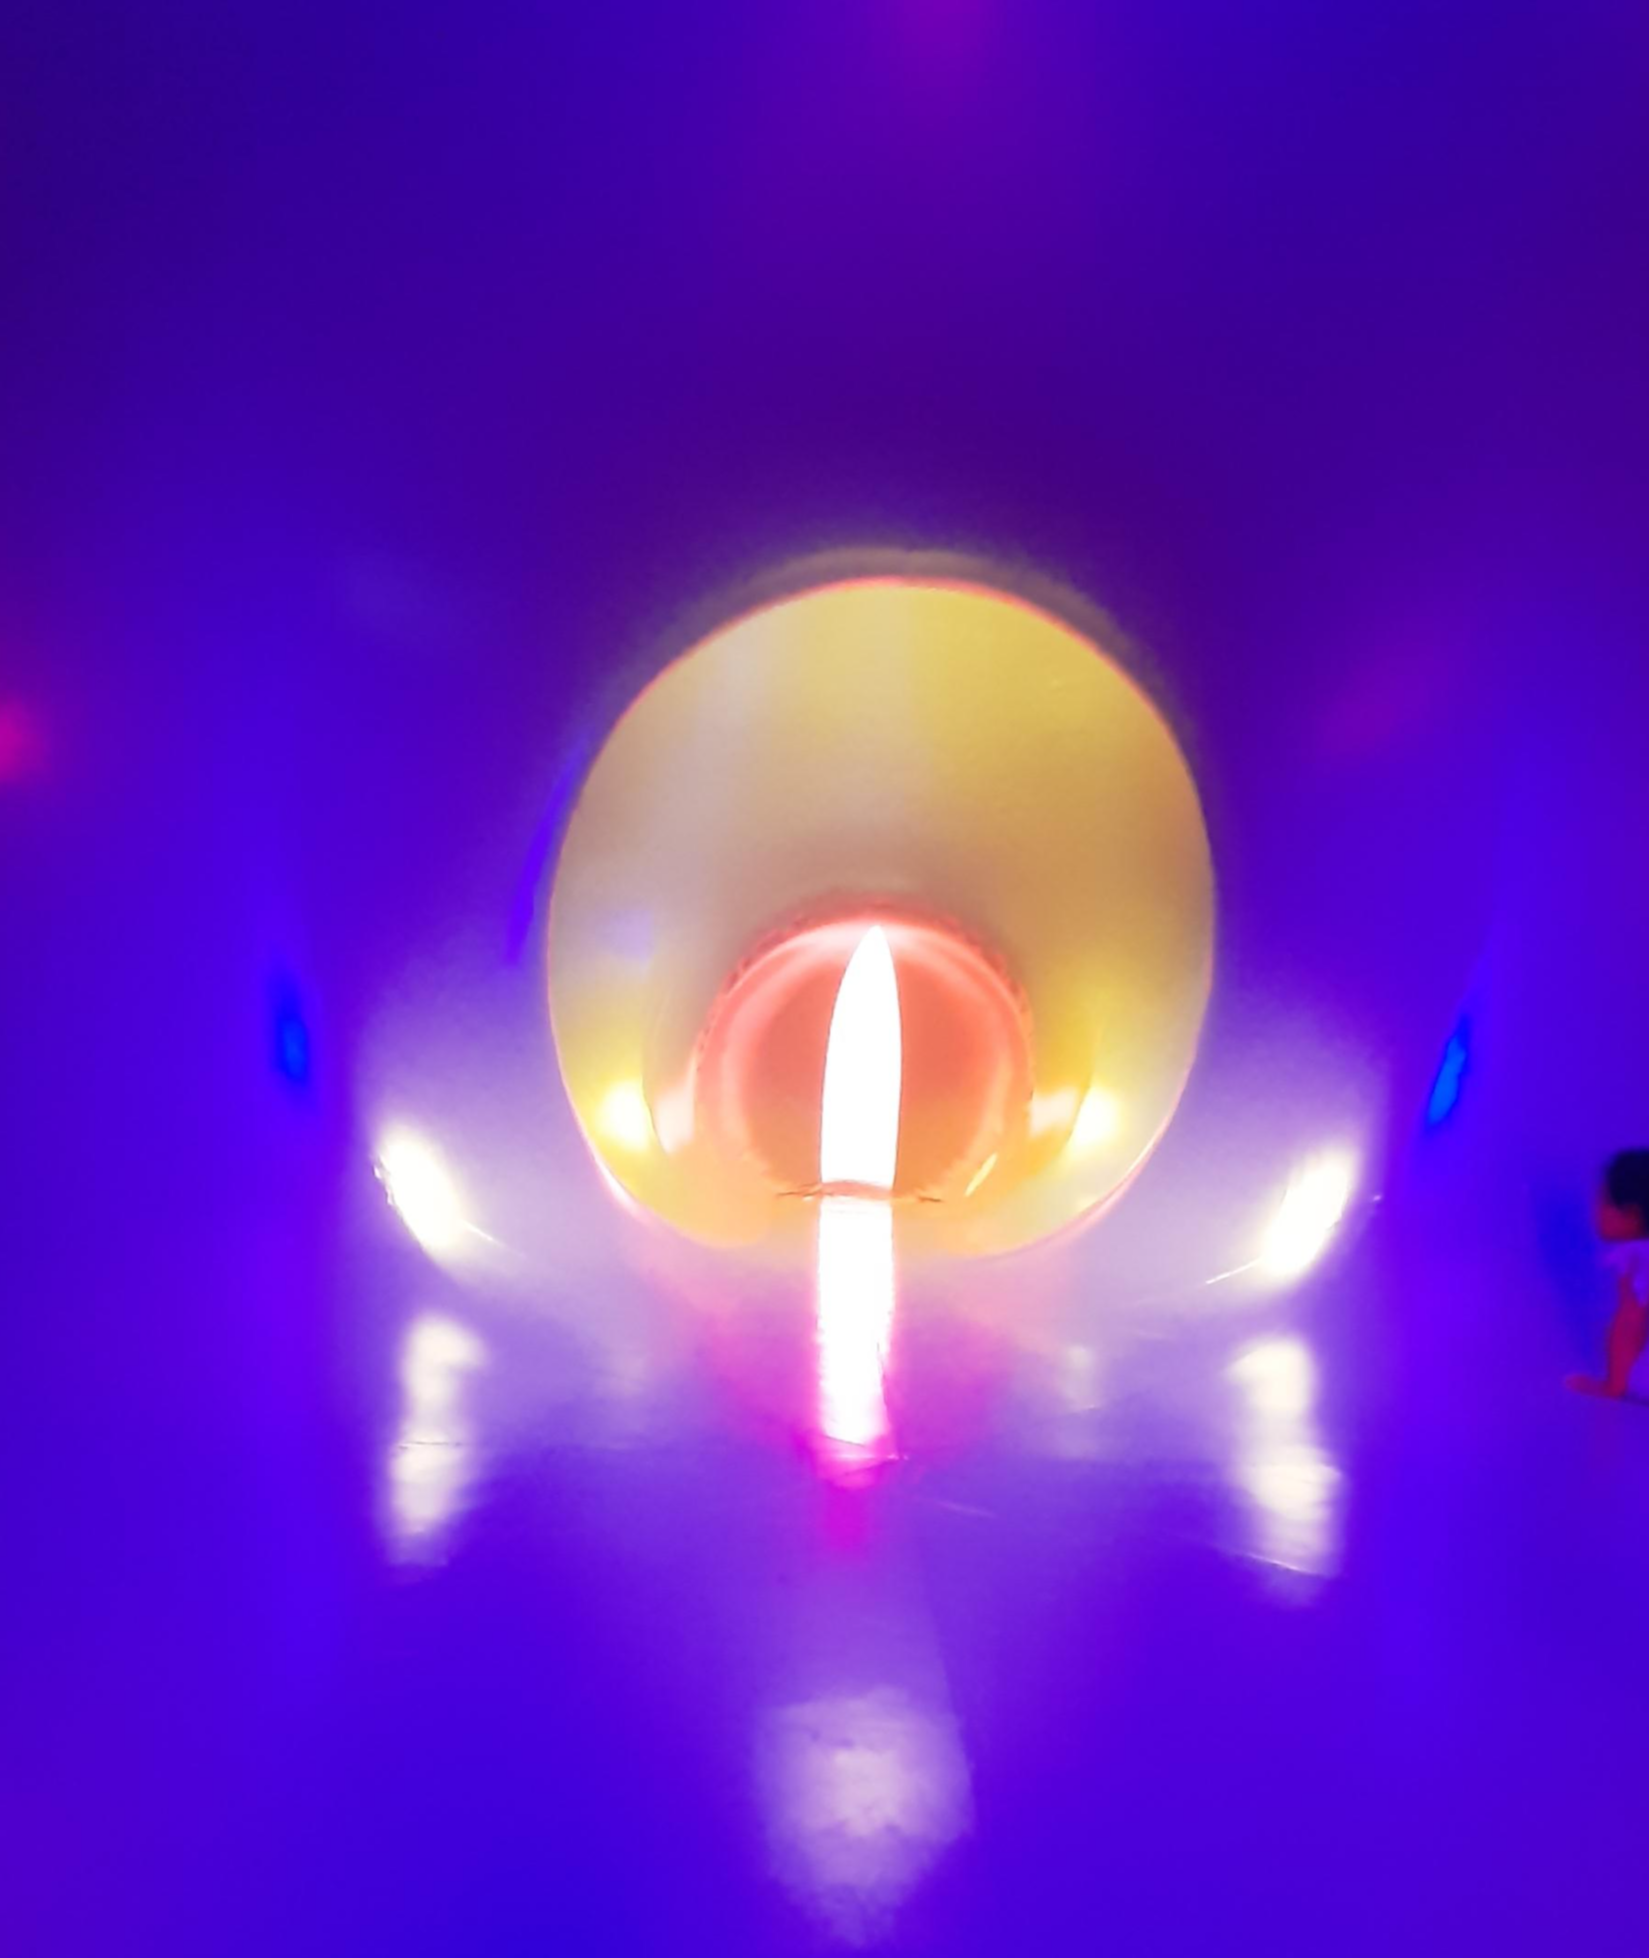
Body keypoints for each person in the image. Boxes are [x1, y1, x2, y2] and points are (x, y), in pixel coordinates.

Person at [1569, 1150, 1649, 1398]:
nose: (1595, 1211)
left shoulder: (1635, 1256)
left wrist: (1614, 1386)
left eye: (1604, 1202)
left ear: (1632, 1215)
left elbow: (1630, 1323)